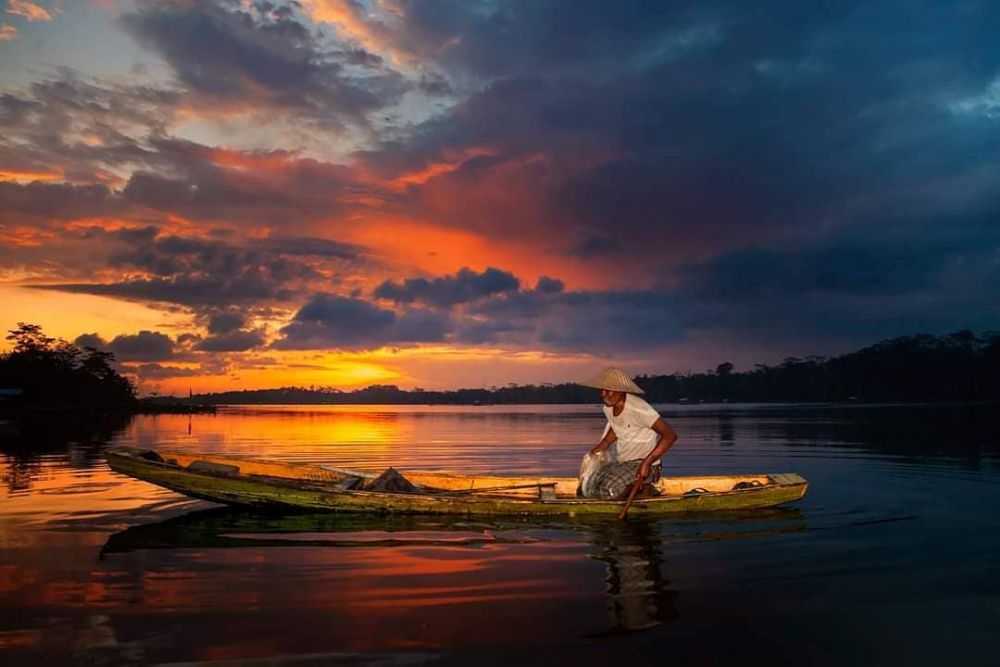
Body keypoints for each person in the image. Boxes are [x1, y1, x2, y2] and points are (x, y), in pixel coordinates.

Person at [578, 367, 677, 499]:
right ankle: (632, 490)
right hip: (623, 463)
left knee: (608, 490)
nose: (603, 394)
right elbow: (617, 426)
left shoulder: (640, 410)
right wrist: (603, 444)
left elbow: (670, 436)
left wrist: (647, 463)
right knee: (587, 487)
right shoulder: (608, 407)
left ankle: (647, 487)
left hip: (644, 465)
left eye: (608, 390)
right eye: (601, 390)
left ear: (621, 391)